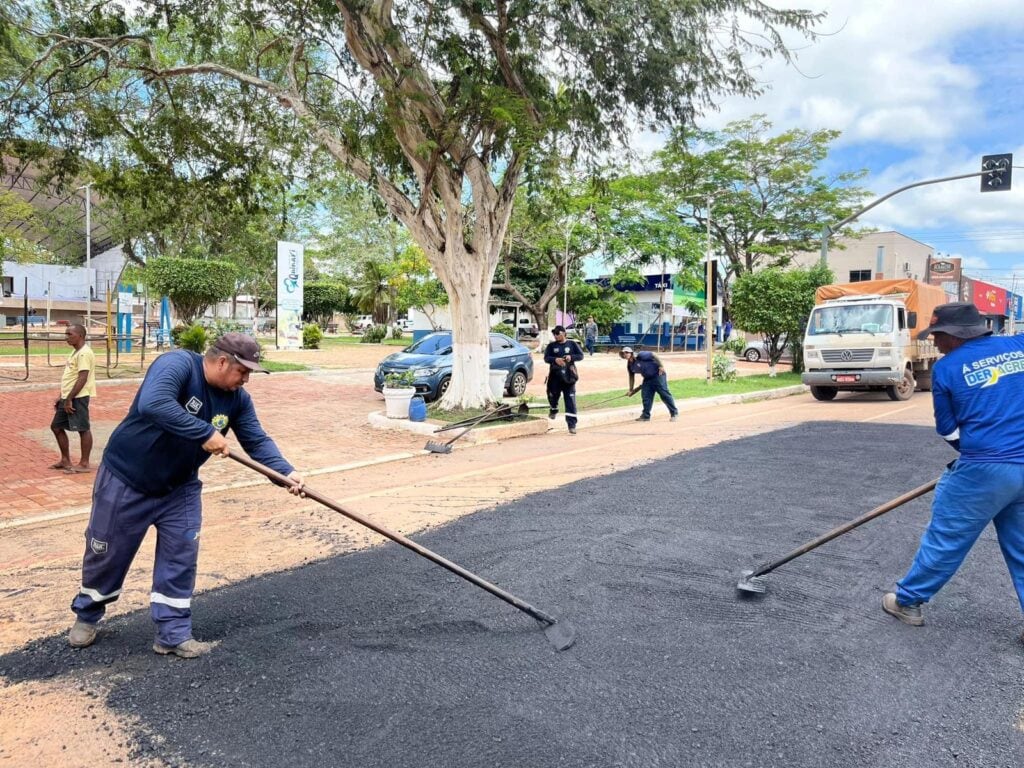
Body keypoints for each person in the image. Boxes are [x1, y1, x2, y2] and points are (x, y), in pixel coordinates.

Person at [68, 333, 305, 658]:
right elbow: (154, 403)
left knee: (180, 556)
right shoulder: (177, 365)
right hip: (126, 478)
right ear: (223, 361)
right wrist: (205, 432)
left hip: (179, 487)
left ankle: (172, 633)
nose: (246, 380)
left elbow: (257, 441)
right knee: (106, 553)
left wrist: (285, 473)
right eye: (243, 371)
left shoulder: (237, 400)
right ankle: (88, 613)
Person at [883, 303, 1024, 637]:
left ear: (956, 335)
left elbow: (948, 431)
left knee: (946, 538)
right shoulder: (1017, 346)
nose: (934, 342)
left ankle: (908, 601)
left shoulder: (946, 370)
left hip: (983, 470)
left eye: (938, 335)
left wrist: (978, 459)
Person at [50, 324, 96, 472]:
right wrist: (62, 396)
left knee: (83, 428)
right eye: (66, 334)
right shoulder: (76, 353)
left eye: (70, 334)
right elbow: (71, 377)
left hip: (78, 397)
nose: (66, 337)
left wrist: (70, 399)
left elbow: (82, 378)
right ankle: (65, 460)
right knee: (56, 427)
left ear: (80, 335)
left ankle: (84, 464)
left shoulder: (84, 353)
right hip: (68, 396)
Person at [619, 347, 679, 422]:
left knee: (664, 394)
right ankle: (645, 416)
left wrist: (661, 366)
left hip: (658, 375)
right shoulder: (630, 365)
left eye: (627, 352)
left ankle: (674, 413)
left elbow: (654, 354)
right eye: (623, 353)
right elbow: (631, 377)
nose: (625, 354)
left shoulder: (640, 355)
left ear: (631, 353)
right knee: (646, 396)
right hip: (647, 379)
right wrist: (631, 390)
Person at [543, 325, 584, 435]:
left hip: (569, 377)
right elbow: (546, 358)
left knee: (570, 401)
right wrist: (555, 359)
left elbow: (581, 356)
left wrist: (571, 357)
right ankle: (553, 409)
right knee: (552, 396)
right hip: (555, 377)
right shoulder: (551, 346)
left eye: (558, 333)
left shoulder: (572, 344)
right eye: (554, 334)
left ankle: (571, 425)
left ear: (564, 333)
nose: (555, 336)